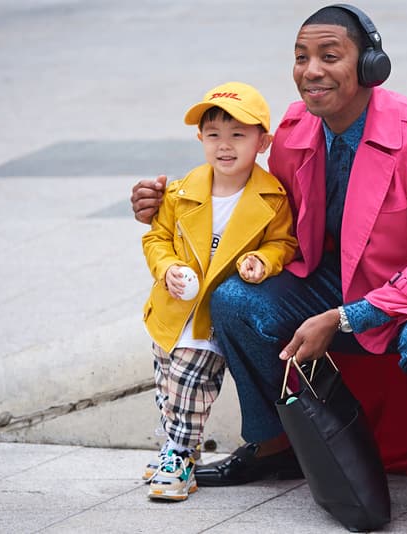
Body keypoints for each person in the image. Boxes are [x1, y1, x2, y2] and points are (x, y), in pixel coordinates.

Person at [132, 4, 407, 517]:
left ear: (371, 66)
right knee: (236, 301)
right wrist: (166, 203)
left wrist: (347, 316)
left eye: (330, 56)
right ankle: (274, 446)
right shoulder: (292, 129)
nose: (311, 70)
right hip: (336, 278)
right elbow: (253, 203)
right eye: (301, 56)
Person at [139, 81, 297, 501]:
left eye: (238, 135)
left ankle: (181, 455)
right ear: (200, 139)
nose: (224, 146)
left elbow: (283, 242)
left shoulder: (271, 197)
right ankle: (171, 446)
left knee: (193, 383)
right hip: (173, 310)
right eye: (214, 135)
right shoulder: (181, 192)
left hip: (211, 316)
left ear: (263, 141)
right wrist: (169, 266)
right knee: (168, 380)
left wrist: (263, 260)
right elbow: (156, 239)